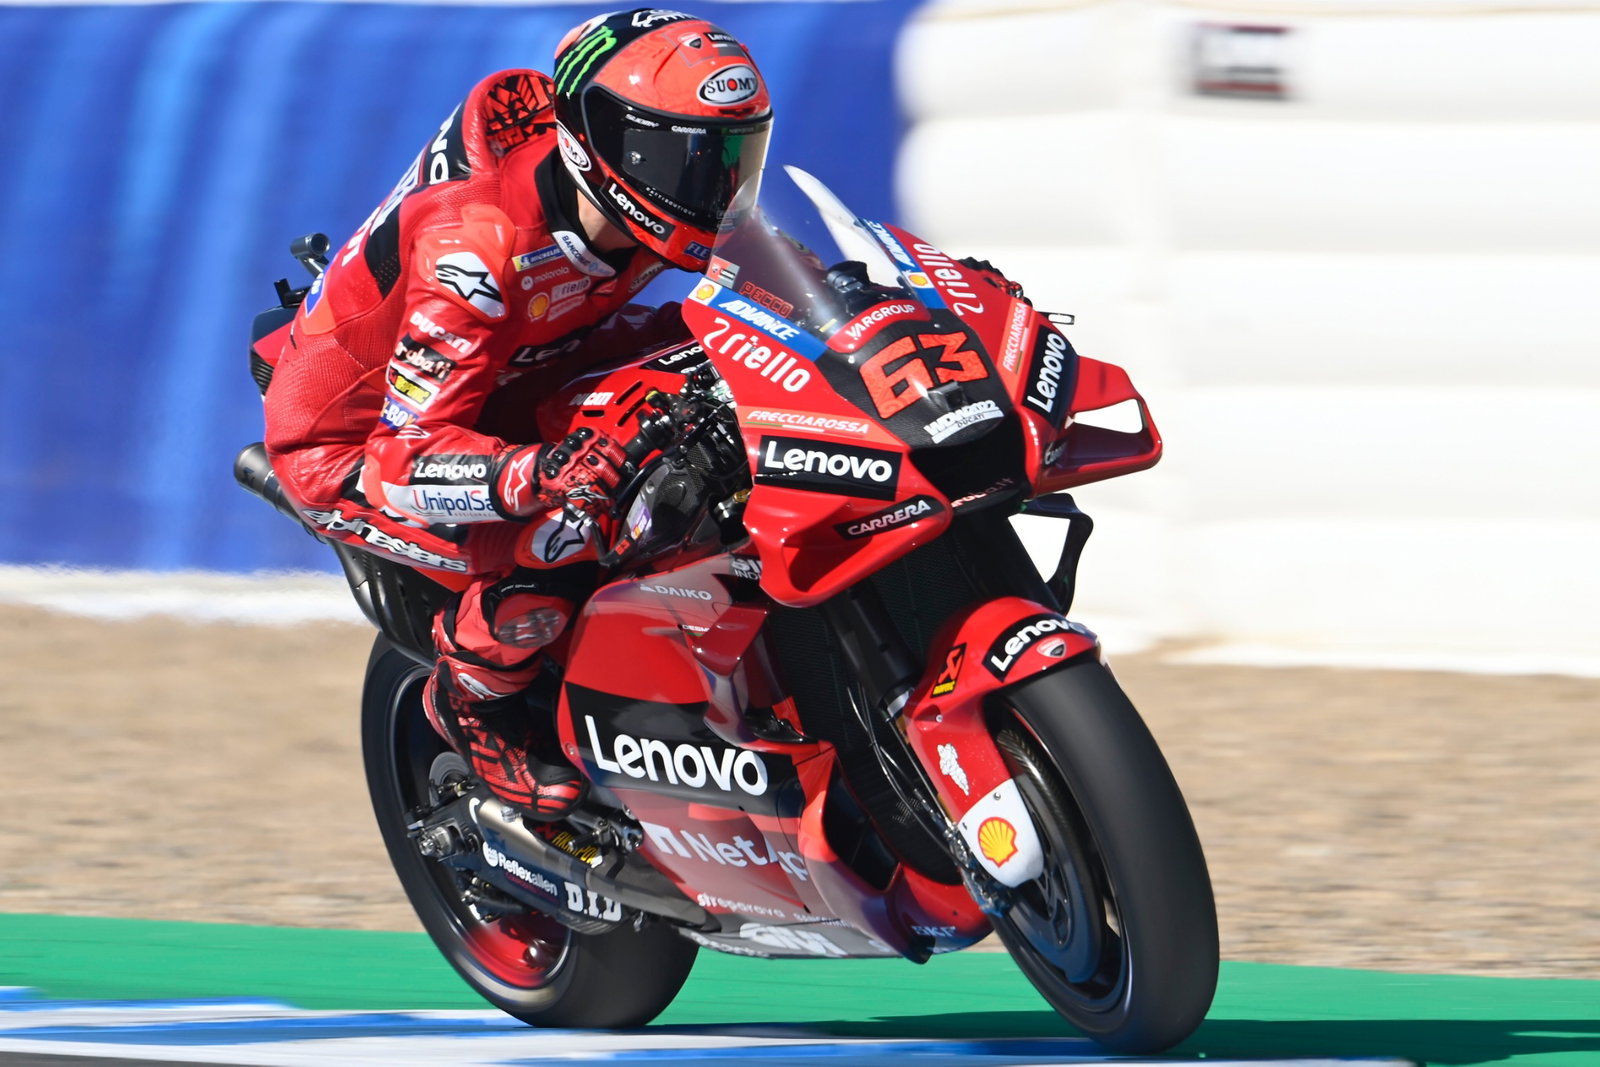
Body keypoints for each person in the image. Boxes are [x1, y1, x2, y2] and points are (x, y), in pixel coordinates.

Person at [261, 8, 773, 820]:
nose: (717, 188)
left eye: (735, 156)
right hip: (356, 446)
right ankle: (471, 705)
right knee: (577, 526)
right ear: (601, 147)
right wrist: (541, 472)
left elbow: (780, 294)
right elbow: (403, 459)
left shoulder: (652, 205)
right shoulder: (480, 247)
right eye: (690, 159)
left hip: (521, 374)